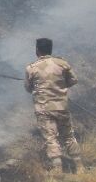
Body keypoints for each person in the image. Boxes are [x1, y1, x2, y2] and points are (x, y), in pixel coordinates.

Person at [24, 38, 82, 174]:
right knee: (69, 136)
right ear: (50, 49)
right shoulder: (62, 64)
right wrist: (59, 86)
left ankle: (57, 169)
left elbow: (28, 88)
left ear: (37, 51)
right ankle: (80, 167)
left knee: (51, 138)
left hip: (43, 109)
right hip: (61, 106)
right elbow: (73, 80)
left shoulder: (31, 68)